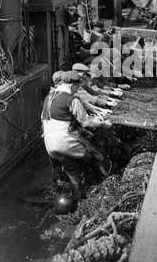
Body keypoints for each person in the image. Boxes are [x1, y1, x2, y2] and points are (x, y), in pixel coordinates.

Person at [41, 71, 112, 200]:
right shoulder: (71, 99)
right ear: (71, 86)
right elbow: (86, 122)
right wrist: (103, 124)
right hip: (65, 140)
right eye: (76, 87)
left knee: (71, 168)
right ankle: (105, 185)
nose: (76, 90)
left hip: (49, 143)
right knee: (96, 156)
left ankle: (76, 195)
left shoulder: (49, 97)